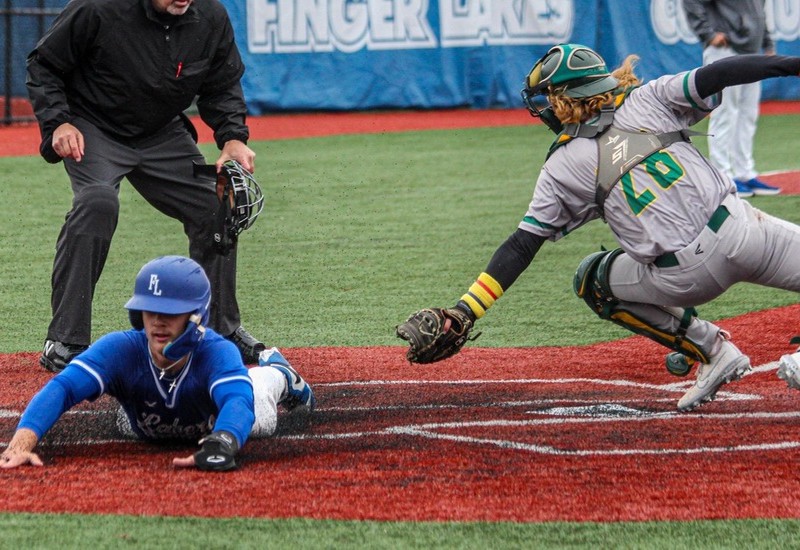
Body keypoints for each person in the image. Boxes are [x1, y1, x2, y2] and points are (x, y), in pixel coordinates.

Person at [397, 44, 800, 412]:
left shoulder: (561, 165)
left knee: (594, 281)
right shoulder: (650, 97)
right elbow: (721, 72)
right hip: (744, 232)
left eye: (550, 98)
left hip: (683, 278)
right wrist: (791, 65)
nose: (547, 108)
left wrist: (466, 309)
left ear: (566, 98)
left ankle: (711, 349)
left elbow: (522, 245)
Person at [26, 0, 267, 371]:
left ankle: (221, 329)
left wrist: (232, 137)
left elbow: (222, 82)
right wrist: (58, 122)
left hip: (161, 132)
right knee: (98, 201)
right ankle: (65, 339)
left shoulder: (210, 16)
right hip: (94, 126)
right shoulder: (98, 8)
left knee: (218, 204)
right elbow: (43, 64)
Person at [1, 256, 316, 471]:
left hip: (219, 419)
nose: (158, 321)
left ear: (196, 316)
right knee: (127, 424)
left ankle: (278, 372)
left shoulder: (217, 351)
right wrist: (21, 443)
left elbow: (237, 402)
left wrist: (223, 441)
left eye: (170, 312)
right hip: (145, 426)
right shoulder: (120, 347)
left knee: (258, 410)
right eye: (150, 310)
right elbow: (64, 387)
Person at [683, 0, 781, 197]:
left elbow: (759, 12)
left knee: (748, 113)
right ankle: (723, 175)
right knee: (725, 112)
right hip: (724, 51)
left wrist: (767, 43)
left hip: (752, 51)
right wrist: (708, 34)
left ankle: (745, 173)